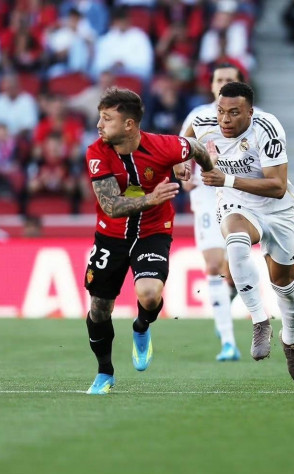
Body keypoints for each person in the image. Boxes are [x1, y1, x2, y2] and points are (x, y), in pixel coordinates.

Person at [82, 87, 211, 395]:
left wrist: (209, 174)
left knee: (150, 295)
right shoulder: (96, 152)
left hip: (153, 231)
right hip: (111, 235)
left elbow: (196, 147)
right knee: (99, 308)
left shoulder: (164, 146)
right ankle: (105, 372)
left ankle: (141, 326)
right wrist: (151, 198)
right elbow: (111, 206)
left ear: (129, 124)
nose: (99, 125)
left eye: (107, 118)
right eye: (100, 117)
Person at [185, 82, 294, 384]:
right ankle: (259, 321)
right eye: (221, 112)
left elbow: (277, 186)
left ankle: (290, 341)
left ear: (250, 112)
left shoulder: (267, 128)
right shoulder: (204, 122)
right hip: (236, 204)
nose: (225, 120)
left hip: (277, 209)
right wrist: (181, 164)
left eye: (234, 113)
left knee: (284, 286)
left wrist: (226, 179)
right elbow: (183, 140)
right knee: (236, 243)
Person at [180, 63, 245, 361]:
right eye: (219, 79)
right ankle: (228, 342)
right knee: (214, 264)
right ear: (211, 85)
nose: (223, 84)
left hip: (240, 194)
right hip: (207, 194)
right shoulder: (198, 116)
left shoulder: (254, 119)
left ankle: (224, 307)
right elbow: (181, 148)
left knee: (235, 269)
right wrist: (183, 170)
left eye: (229, 80)